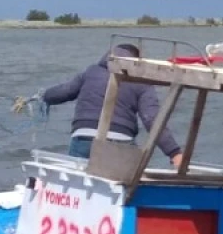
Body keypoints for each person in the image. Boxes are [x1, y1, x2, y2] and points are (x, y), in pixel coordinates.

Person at [40, 43, 183, 165]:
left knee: (78, 183)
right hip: (120, 141)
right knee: (121, 185)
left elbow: (64, 91)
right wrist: (174, 152)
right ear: (137, 61)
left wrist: (44, 96)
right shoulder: (142, 82)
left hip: (83, 137)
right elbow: (151, 119)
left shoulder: (91, 72)